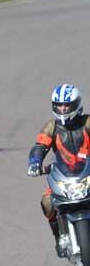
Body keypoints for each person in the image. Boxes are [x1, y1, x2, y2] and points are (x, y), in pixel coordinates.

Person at [27, 83, 90, 256]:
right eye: (59, 105)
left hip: (88, 173)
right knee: (47, 202)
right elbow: (39, 146)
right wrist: (35, 162)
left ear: (76, 104)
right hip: (64, 176)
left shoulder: (87, 122)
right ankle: (59, 237)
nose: (62, 108)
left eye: (66, 104)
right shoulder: (52, 127)